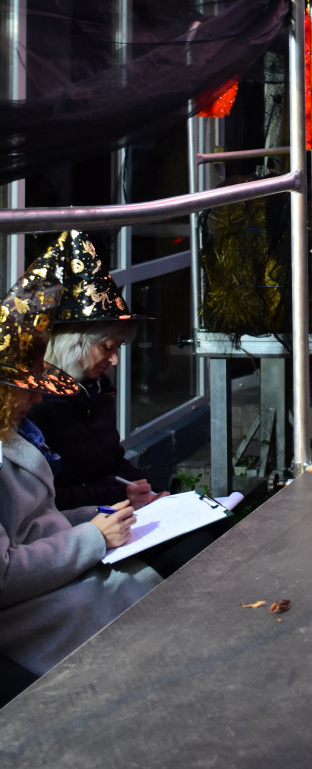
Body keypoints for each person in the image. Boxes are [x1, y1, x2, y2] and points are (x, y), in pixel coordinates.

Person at [0, 256, 159, 688]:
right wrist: (93, 533)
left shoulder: (17, 431)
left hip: (60, 577)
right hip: (36, 607)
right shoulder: (24, 431)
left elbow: (35, 521)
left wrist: (102, 513)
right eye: (29, 390)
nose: (38, 399)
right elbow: (7, 572)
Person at [32, 232, 230, 576]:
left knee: (219, 531)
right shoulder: (38, 405)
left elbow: (113, 459)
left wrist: (150, 492)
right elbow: (50, 496)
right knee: (196, 557)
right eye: (107, 348)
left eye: (118, 348)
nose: (114, 360)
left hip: (119, 511)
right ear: (74, 344)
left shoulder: (96, 388)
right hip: (82, 528)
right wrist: (123, 496)